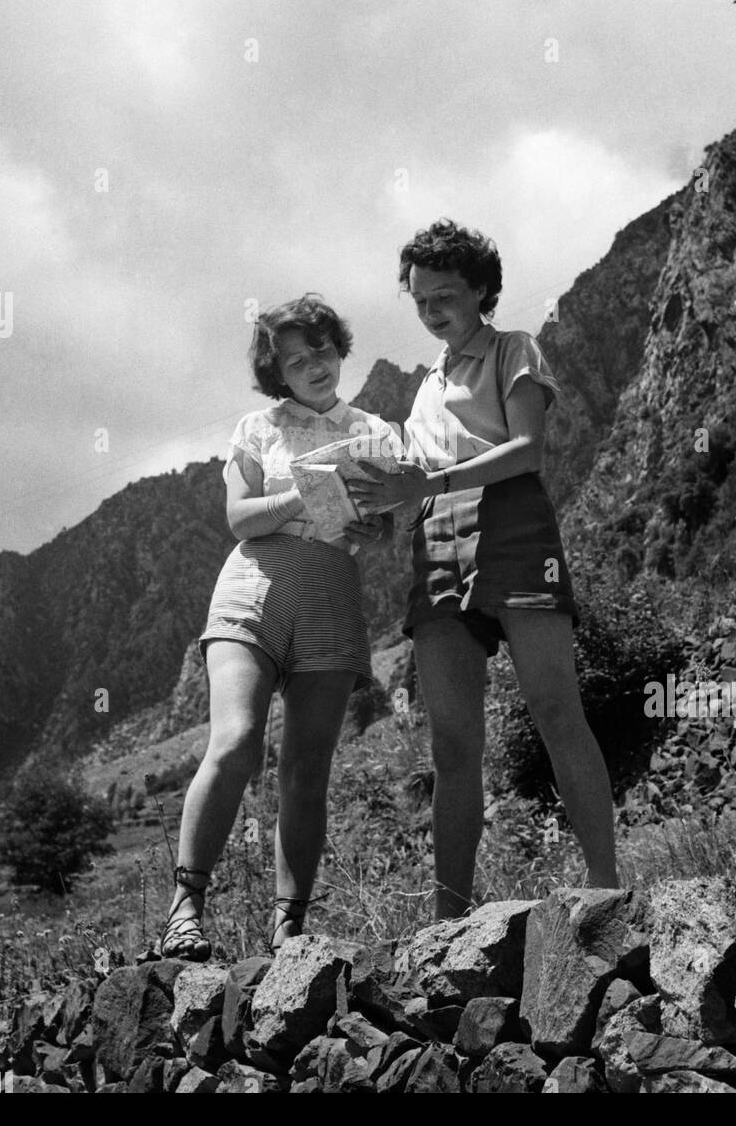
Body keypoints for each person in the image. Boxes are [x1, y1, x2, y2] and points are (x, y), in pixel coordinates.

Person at [349, 219, 620, 918]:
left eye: (443, 294)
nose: (431, 310)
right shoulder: (421, 391)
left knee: (555, 707)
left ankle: (604, 884)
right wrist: (374, 516)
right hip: (435, 543)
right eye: (418, 300)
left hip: (511, 523)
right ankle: (448, 920)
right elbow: (414, 490)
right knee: (451, 742)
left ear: (479, 290)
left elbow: (528, 450)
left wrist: (428, 486)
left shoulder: (513, 349)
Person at [160, 294, 397, 960]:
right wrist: (309, 487)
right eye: (295, 360)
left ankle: (289, 929)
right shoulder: (255, 428)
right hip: (254, 586)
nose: (312, 365)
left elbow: (381, 530)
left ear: (338, 348)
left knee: (307, 767)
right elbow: (239, 518)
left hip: (331, 589)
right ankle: (185, 911)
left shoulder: (374, 429)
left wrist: (372, 523)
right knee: (235, 740)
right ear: (278, 375)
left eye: (320, 349)